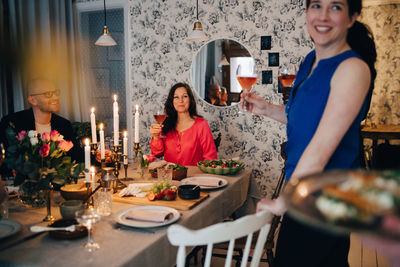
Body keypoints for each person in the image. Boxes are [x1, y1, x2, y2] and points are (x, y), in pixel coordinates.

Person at [245, 0, 377, 266]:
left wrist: (282, 203)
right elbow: (303, 119)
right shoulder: (309, 61)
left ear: (352, 17)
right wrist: (266, 109)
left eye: (336, 7)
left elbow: (320, 147)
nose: (323, 16)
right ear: (307, 12)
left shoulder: (353, 69)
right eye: (316, 5)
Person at [0, 78, 83, 163]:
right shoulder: (12, 122)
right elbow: (7, 160)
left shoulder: (64, 124)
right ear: (33, 100)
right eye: (48, 94)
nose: (56, 97)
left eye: (56, 92)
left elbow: (78, 157)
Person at [149, 83, 217, 166]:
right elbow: (157, 153)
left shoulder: (201, 124)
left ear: (190, 100)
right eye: (176, 97)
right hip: (170, 176)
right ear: (172, 101)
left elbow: (211, 157)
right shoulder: (166, 124)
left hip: (193, 177)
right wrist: (156, 136)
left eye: (184, 96)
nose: (180, 100)